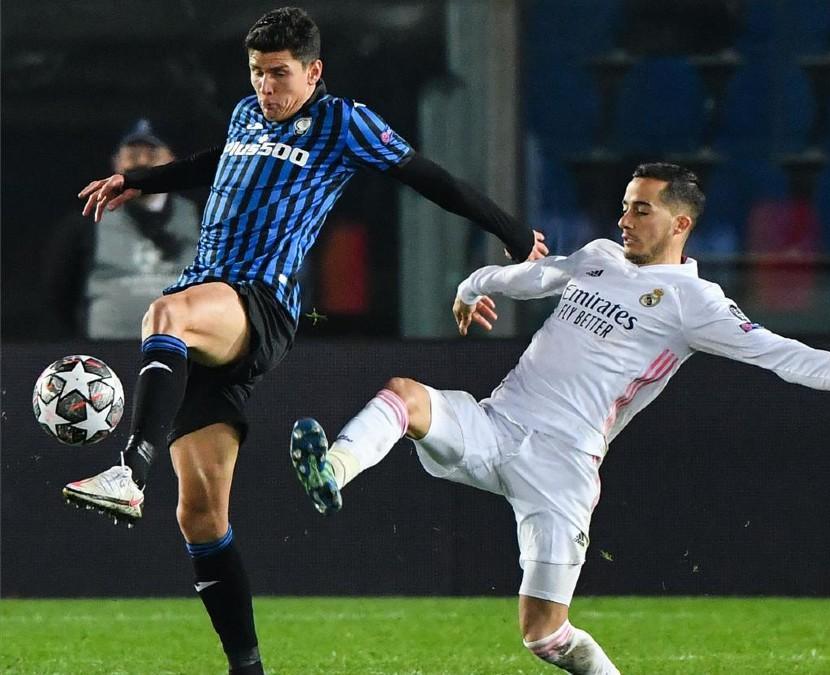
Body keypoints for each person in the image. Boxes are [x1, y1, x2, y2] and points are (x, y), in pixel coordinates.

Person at [59, 7, 546, 674]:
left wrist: (513, 234)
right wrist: (137, 180)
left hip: (259, 301)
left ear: (314, 72)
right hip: (213, 313)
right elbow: (216, 161)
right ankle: (249, 668)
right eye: (258, 73)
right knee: (200, 515)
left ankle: (128, 468)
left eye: (280, 74)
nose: (267, 86)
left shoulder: (345, 122)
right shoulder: (245, 114)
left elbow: (430, 177)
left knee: (163, 315)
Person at [287, 163, 830, 674]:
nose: (625, 218)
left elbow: (781, 354)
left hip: (563, 469)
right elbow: (529, 278)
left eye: (642, 209)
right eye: (625, 205)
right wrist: (474, 285)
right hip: (496, 424)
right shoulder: (599, 258)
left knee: (543, 635)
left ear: (680, 223)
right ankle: (333, 472)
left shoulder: (697, 304)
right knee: (406, 396)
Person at [43, 120, 201, 339]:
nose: (143, 162)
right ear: (116, 164)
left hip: (183, 352)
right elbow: (59, 292)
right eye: (133, 156)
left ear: (172, 161)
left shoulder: (203, 217)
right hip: (108, 352)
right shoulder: (84, 223)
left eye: (153, 155)